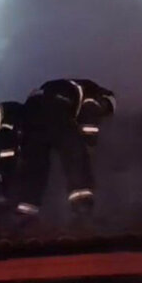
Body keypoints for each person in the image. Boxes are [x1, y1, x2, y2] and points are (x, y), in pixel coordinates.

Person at [15, 78, 115, 219]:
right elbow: (89, 122)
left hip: (31, 110)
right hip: (56, 107)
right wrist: (89, 143)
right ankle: (82, 205)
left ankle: (26, 212)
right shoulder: (94, 94)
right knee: (76, 155)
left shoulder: (68, 86)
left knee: (36, 165)